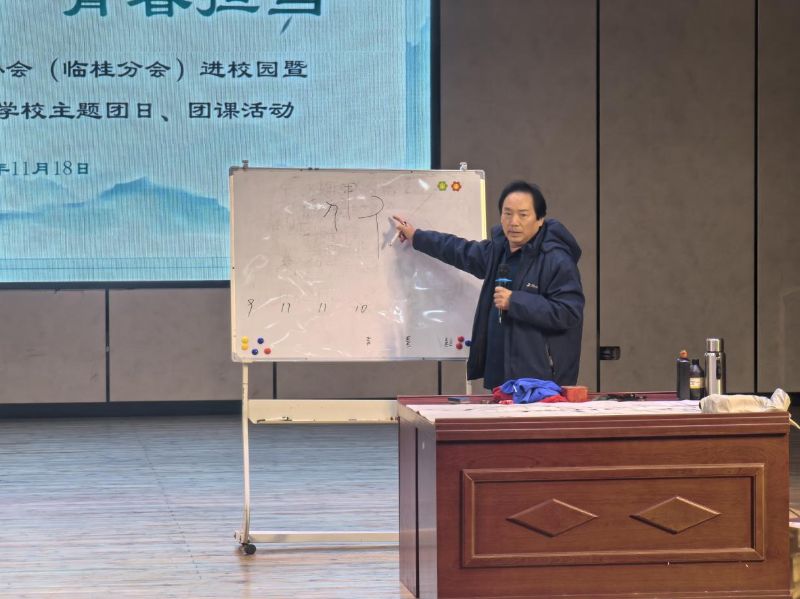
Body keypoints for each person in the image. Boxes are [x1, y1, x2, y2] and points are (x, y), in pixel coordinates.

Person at [392, 180, 584, 389]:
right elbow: (459, 250)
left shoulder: (556, 259)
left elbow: (569, 312)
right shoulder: (498, 252)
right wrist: (416, 236)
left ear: (540, 220)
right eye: (507, 213)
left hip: (541, 382)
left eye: (523, 215)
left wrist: (515, 301)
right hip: (501, 377)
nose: (514, 222)